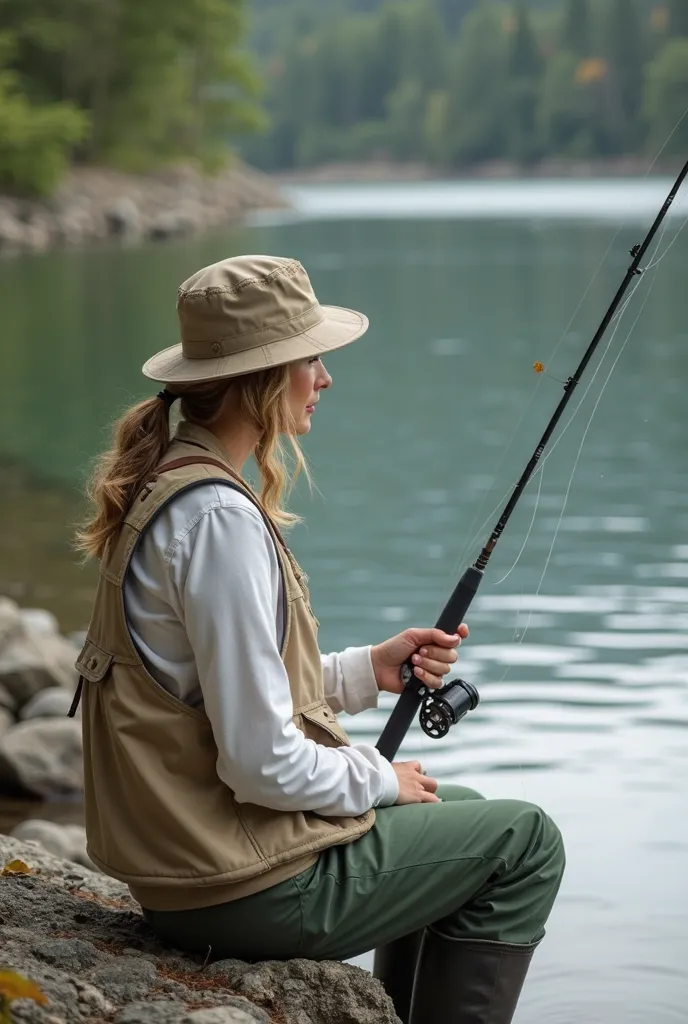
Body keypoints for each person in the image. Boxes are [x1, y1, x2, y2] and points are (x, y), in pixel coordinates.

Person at [72, 254, 565, 1024]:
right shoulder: (218, 521)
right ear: (263, 376)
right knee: (527, 841)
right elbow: (259, 762)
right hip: (233, 891)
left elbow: (214, 692)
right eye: (310, 359)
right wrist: (376, 777)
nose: (325, 378)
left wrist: (371, 670)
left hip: (186, 868)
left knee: (455, 806)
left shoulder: (174, 484)